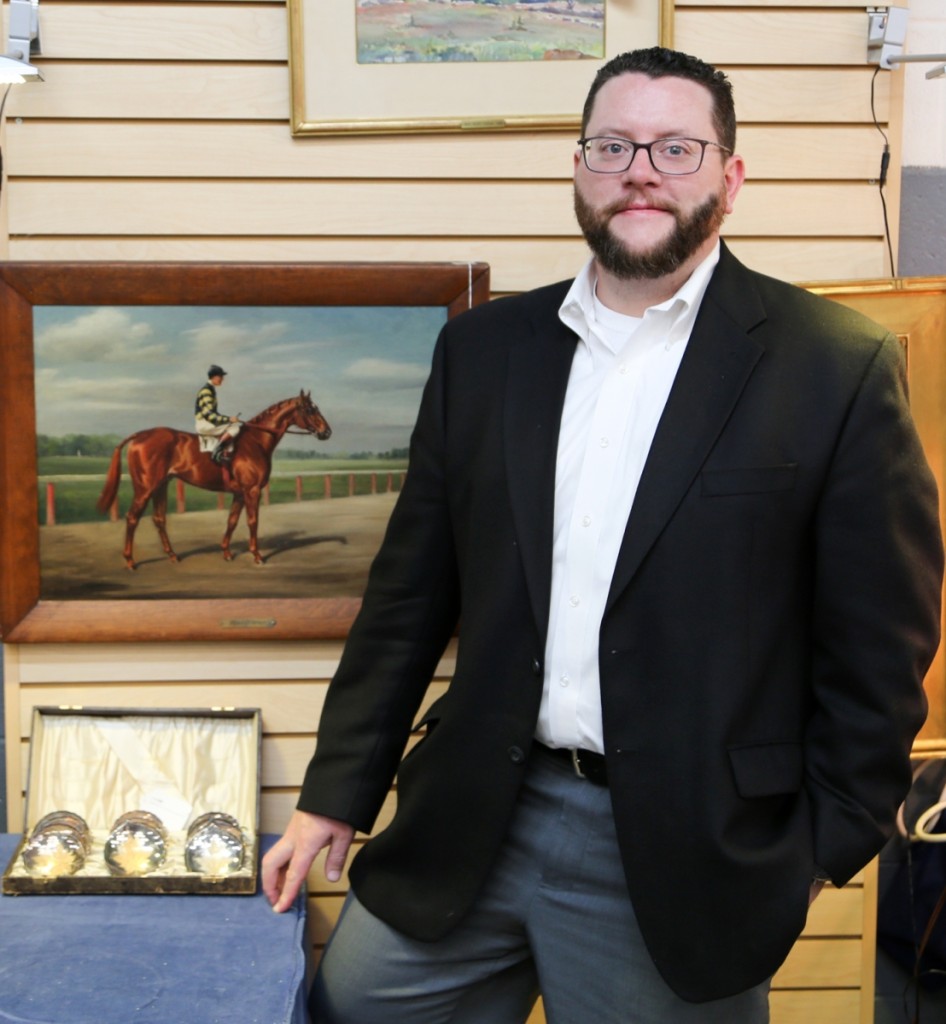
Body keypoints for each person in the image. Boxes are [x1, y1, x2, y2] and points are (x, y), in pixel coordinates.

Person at [261, 46, 944, 1023]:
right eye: (613, 144)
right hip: (472, 812)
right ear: (578, 170)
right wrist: (337, 790)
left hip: (685, 850)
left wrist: (819, 850)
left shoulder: (833, 367)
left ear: (730, 177)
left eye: (675, 148)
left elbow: (879, 648)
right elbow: (409, 598)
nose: (640, 169)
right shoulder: (483, 353)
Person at [194, 364, 241, 464]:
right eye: (221, 377)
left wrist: (228, 420)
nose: (222, 379)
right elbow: (210, 415)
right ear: (215, 377)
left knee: (233, 425)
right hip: (204, 423)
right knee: (235, 427)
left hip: (206, 422)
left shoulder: (210, 389)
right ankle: (216, 451)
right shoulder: (206, 391)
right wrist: (229, 419)